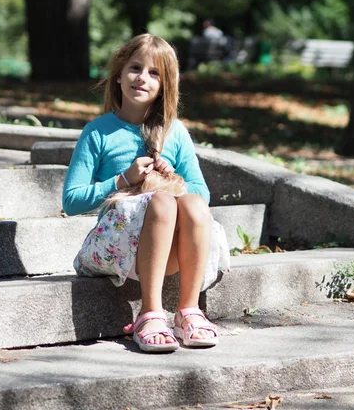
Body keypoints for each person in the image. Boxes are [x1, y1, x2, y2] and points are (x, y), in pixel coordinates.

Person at [62, 34, 229, 353]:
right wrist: (123, 179)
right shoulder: (98, 132)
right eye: (135, 68)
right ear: (119, 75)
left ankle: (188, 311)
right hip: (113, 248)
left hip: (165, 251)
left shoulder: (175, 133)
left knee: (191, 203)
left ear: (165, 85)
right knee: (163, 202)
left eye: (154, 73)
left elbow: (201, 194)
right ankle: (150, 314)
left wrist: (173, 177)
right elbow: (72, 201)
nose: (142, 78)